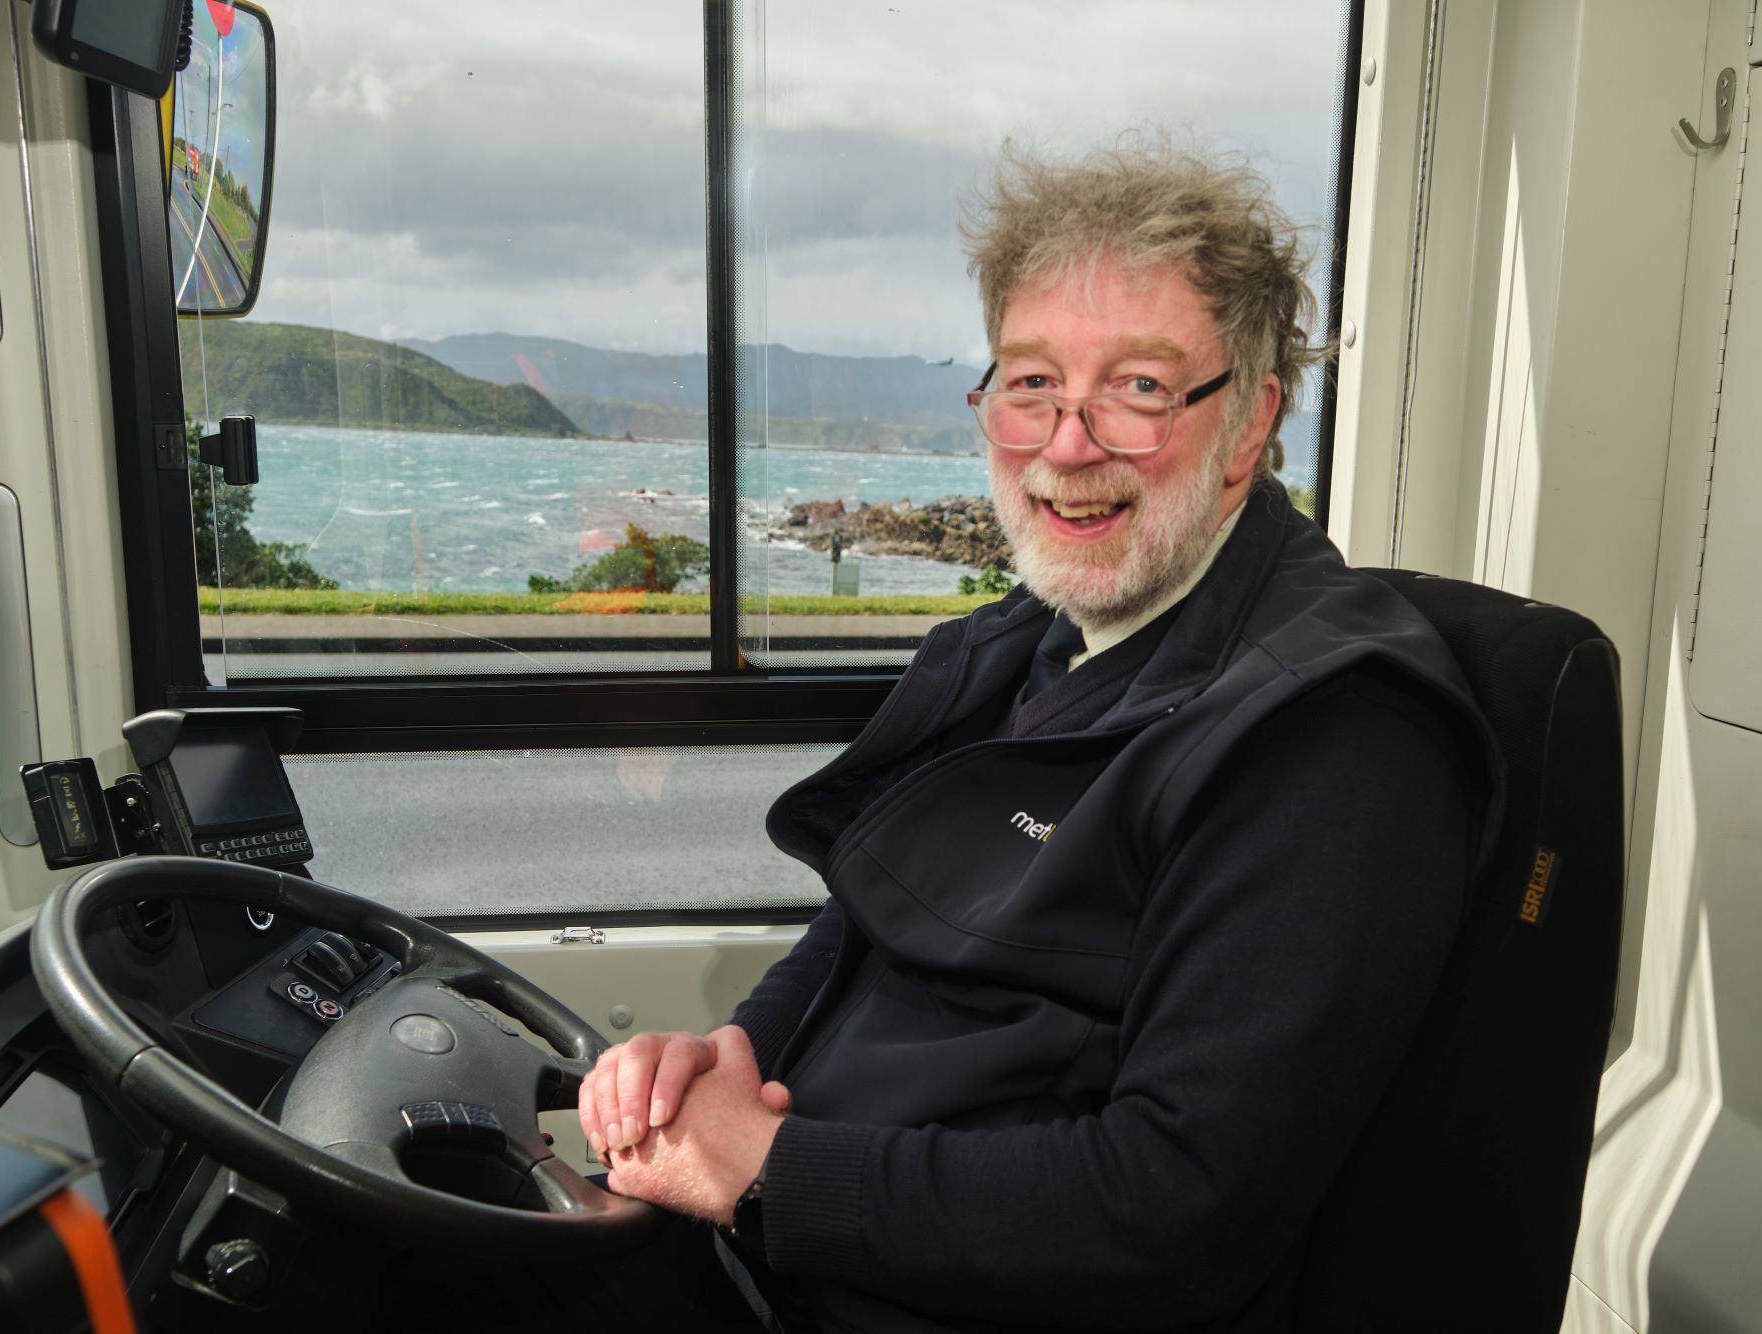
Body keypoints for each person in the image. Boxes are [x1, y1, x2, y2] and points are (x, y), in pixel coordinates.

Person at [578, 142, 1496, 1332]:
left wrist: (761, 1170)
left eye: (1140, 387)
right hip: (787, 1258)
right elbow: (870, 921)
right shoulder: (1036, 640)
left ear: (1251, 420)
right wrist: (727, 1057)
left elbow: (1172, 1205)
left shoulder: (1331, 737)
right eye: (1029, 382)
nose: (1067, 444)